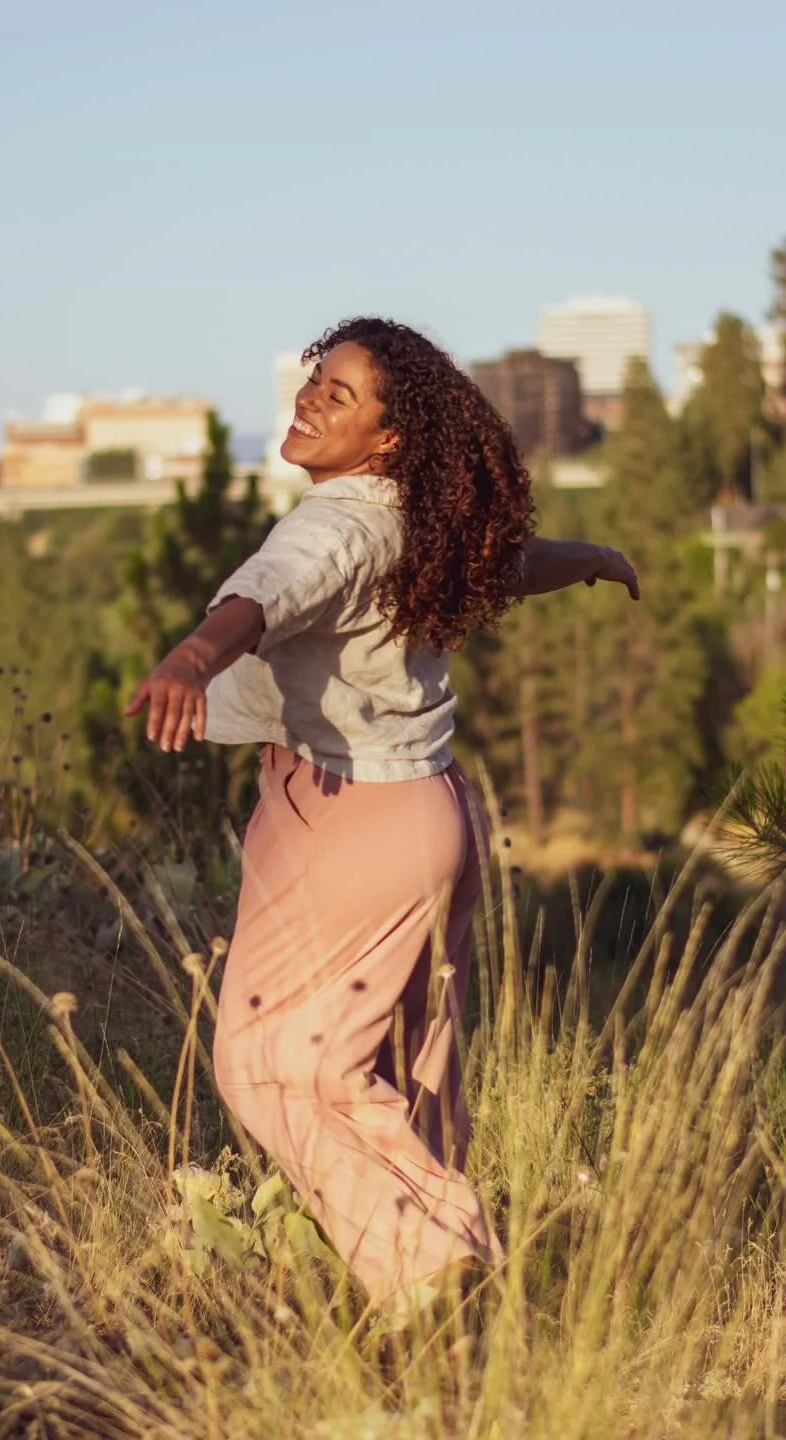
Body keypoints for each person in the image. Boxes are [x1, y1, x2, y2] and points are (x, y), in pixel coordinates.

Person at [124, 316, 639, 1307]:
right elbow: (511, 565)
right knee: (407, 1073)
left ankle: (439, 1271)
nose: (312, 396)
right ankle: (452, 1322)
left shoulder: (344, 520)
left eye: (342, 394)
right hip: (428, 815)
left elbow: (271, 593)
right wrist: (597, 555)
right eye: (317, 378)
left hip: (346, 813)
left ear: (388, 440)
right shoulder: (419, 518)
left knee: (269, 1063)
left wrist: (192, 658)